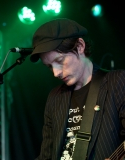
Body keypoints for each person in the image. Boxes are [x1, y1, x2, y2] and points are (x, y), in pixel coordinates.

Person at [29, 18, 125, 159]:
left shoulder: (117, 82)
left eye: (59, 61)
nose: (56, 73)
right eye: (49, 66)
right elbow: (46, 155)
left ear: (80, 46)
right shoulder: (55, 97)